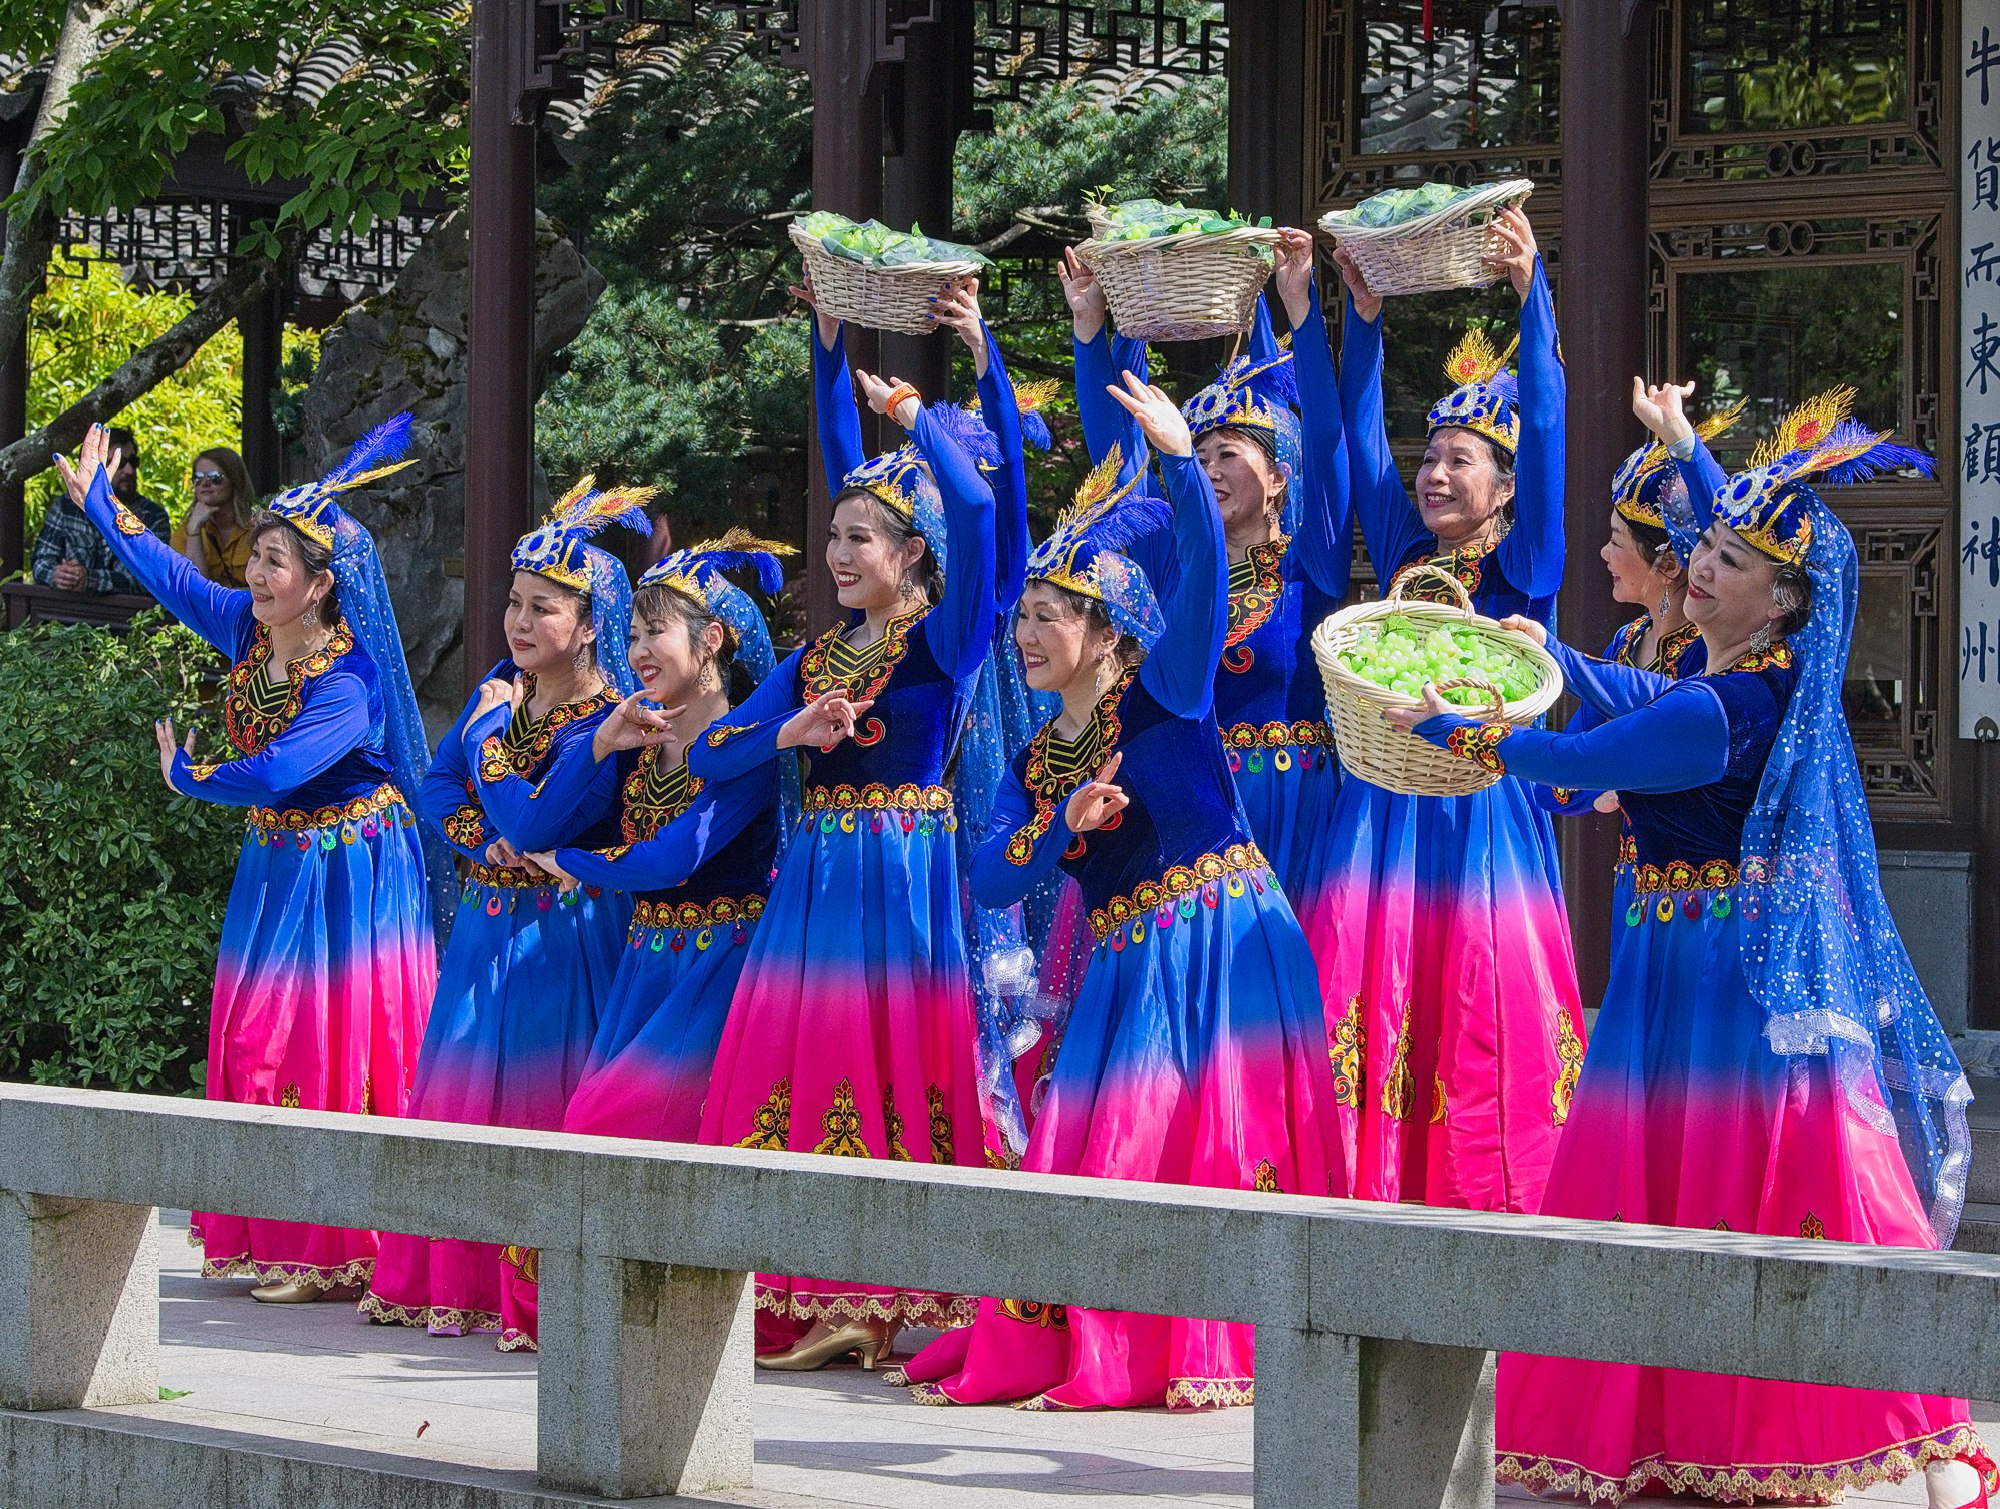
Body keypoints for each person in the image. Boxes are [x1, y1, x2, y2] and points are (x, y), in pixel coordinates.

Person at [1390, 405, 1993, 1508]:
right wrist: (1553, 652)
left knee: (1747, 1184)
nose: (1701, 570)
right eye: (1704, 549)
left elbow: (1574, 754)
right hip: (1682, 965)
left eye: (1731, 562)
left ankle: (1898, 1425)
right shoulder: (1726, 687)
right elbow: (1631, 703)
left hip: (1714, 982)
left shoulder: (1724, 704)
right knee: (1688, 1189)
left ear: (1784, 602)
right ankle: (1694, 1422)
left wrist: (1452, 730)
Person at [894, 375, 1344, 1411]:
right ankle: (1103, 1339)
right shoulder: (1031, 761)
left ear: (1102, 633)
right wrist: (1062, 826)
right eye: (1025, 617)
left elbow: (1205, 573)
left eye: (1048, 617)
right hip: (1127, 960)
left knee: (1213, 1142)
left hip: (1226, 938)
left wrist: (1182, 461)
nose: (1025, 634)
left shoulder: (1168, 694)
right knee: (1094, 1146)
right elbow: (990, 878)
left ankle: (1213, 1342)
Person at [57, 416, 441, 1301]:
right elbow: (171, 574)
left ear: (320, 585)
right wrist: (107, 508)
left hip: (348, 871)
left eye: (277, 561)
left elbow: (281, 768)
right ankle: (277, 1228)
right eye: (257, 555)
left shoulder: (349, 683)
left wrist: (194, 777)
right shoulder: (242, 628)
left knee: (329, 1041)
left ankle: (332, 1244)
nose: (257, 574)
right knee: (250, 1030)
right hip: (278, 864)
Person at [684, 356, 998, 1373]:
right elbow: (707, 750)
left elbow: (982, 509)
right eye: (831, 536)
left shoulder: (943, 645)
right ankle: (810, 1289)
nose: (834, 553)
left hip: (900, 882)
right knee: (799, 1063)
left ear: (910, 555)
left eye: (856, 537)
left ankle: (882, 1293)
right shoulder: (814, 660)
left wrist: (911, 416)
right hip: (816, 882)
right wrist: (789, 734)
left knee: (885, 1070)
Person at [1316, 205, 1586, 1215]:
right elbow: (1354, 439)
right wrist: (1366, 321)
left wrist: (1530, 296)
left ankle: (1490, 1199)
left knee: (1481, 1001)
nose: (1432, 475)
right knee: (1374, 997)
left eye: (1457, 461)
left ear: (1506, 488)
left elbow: (1550, 428)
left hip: (1480, 810)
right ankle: (1364, 1190)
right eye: (1428, 458)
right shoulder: (1402, 555)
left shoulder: (1525, 563)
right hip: (1386, 802)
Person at [363, 477, 647, 1350]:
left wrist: (491, 765)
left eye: (542, 608)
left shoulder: (611, 717)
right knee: (459, 1093)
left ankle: (539, 1287)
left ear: (592, 620)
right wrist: (479, 843)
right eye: (514, 604)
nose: (518, 623)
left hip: (565, 933)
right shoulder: (502, 688)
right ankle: (453, 1277)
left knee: (538, 1099)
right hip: (491, 919)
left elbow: (538, 820)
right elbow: (435, 785)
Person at [538, 533, 791, 1156]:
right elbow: (538, 826)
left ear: (710, 641)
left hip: (718, 966)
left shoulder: (747, 747)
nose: (639, 652)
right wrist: (599, 744)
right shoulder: (639, 737)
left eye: (655, 633)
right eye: (631, 637)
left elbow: (674, 857)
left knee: (607, 1129)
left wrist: (570, 863)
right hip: (646, 963)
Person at [32, 425, 168, 594]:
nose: (129, 470)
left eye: (133, 462)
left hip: (127, 618)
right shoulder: (66, 506)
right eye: (118, 463)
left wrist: (90, 580)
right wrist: (58, 575)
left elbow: (150, 578)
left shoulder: (153, 516)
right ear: (93, 468)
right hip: (66, 615)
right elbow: (40, 562)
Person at [173, 446, 257, 588]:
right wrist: (194, 531)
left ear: (234, 480)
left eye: (214, 477)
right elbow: (194, 589)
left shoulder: (257, 528)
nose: (205, 483)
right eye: (198, 478)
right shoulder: (184, 533)